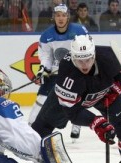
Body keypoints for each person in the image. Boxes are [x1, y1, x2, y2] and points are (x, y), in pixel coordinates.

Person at [31, 34, 121, 163]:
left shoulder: (111, 56)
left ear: (94, 55)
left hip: (104, 92)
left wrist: (117, 86)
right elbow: (73, 113)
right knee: (40, 130)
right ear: (73, 57)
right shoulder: (67, 73)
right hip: (72, 98)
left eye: (88, 59)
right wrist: (97, 123)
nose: (84, 65)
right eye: (80, 60)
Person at [28, 3, 88, 142]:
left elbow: (86, 50)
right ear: (53, 17)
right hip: (55, 73)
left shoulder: (79, 31)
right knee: (42, 98)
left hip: (75, 71)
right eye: (58, 15)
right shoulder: (46, 36)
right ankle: (31, 127)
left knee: (76, 98)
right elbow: (46, 56)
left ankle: (76, 123)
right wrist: (43, 69)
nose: (60, 18)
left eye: (63, 15)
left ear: (68, 17)